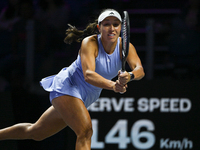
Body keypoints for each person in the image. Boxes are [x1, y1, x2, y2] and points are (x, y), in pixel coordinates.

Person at [0, 8, 145, 150]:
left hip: (87, 96)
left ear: (120, 28)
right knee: (85, 131)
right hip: (68, 86)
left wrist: (130, 76)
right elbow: (88, 75)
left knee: (36, 132)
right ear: (99, 28)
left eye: (116, 24)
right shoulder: (90, 42)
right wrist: (114, 85)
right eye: (106, 24)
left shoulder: (126, 47)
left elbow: (139, 69)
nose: (111, 28)